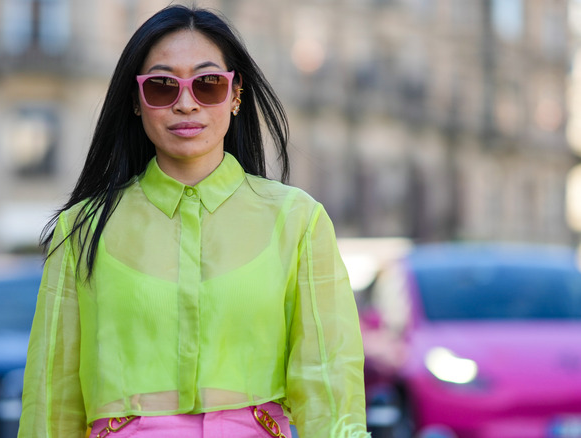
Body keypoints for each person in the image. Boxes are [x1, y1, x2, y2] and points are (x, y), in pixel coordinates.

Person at [19, 5, 368, 438]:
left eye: (208, 84)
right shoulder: (82, 229)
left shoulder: (299, 221)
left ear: (236, 93)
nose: (186, 103)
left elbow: (329, 387)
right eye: (163, 87)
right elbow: (51, 402)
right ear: (136, 99)